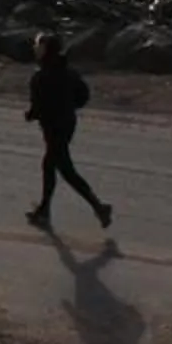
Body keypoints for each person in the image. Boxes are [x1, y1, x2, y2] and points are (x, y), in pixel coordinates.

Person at [24, 32, 112, 230]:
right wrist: (68, 107)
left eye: (39, 46)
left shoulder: (40, 76)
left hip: (53, 127)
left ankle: (98, 207)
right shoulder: (69, 72)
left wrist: (31, 115)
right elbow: (83, 95)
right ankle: (44, 210)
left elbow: (37, 106)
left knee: (64, 170)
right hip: (67, 124)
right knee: (51, 165)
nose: (35, 49)